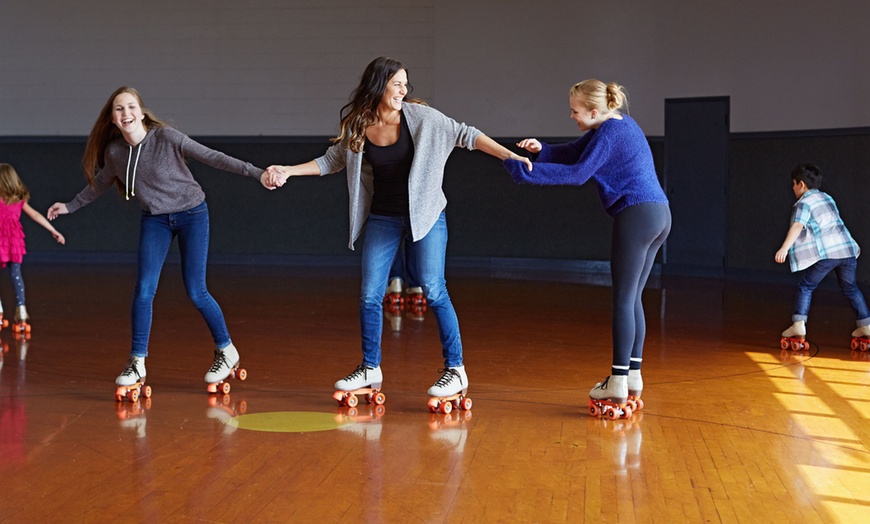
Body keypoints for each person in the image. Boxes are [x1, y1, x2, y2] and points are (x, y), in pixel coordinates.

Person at [265, 56, 532, 401]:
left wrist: (508, 156)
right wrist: (288, 170)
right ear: (379, 85)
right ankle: (370, 367)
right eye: (397, 83)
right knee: (369, 293)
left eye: (406, 84)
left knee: (433, 288)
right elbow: (332, 160)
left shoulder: (422, 118)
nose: (404, 90)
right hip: (384, 217)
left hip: (426, 215)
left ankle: (456, 369)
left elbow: (466, 134)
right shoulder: (359, 124)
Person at [47, 86, 271, 391]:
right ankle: (137, 362)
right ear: (112, 119)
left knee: (196, 291)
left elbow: (213, 158)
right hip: (155, 220)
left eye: (130, 107)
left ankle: (227, 350)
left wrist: (257, 173)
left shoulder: (166, 137)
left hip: (192, 214)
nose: (125, 113)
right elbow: (99, 183)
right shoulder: (115, 153)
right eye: (119, 109)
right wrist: (70, 206)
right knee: (144, 290)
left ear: (141, 112)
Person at [503, 79, 671, 415]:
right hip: (659, 214)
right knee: (633, 297)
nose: (572, 116)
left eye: (575, 111)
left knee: (623, 299)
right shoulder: (619, 124)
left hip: (637, 215)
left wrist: (527, 172)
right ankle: (633, 375)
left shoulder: (609, 132)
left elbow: (579, 172)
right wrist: (542, 150)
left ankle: (618, 380)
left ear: (595, 111)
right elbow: (576, 151)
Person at [775, 162, 870, 349]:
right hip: (848, 250)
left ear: (801, 184)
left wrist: (784, 248)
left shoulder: (804, 203)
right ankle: (866, 326)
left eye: (793, 184)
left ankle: (798, 325)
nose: (793, 188)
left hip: (829, 252)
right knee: (850, 288)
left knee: (806, 285)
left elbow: (797, 225)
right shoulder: (827, 197)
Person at [0, 163, 66, 329]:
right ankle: (21, 311)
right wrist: (53, 230)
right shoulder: (18, 200)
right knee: (16, 274)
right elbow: (36, 215)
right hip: (14, 242)